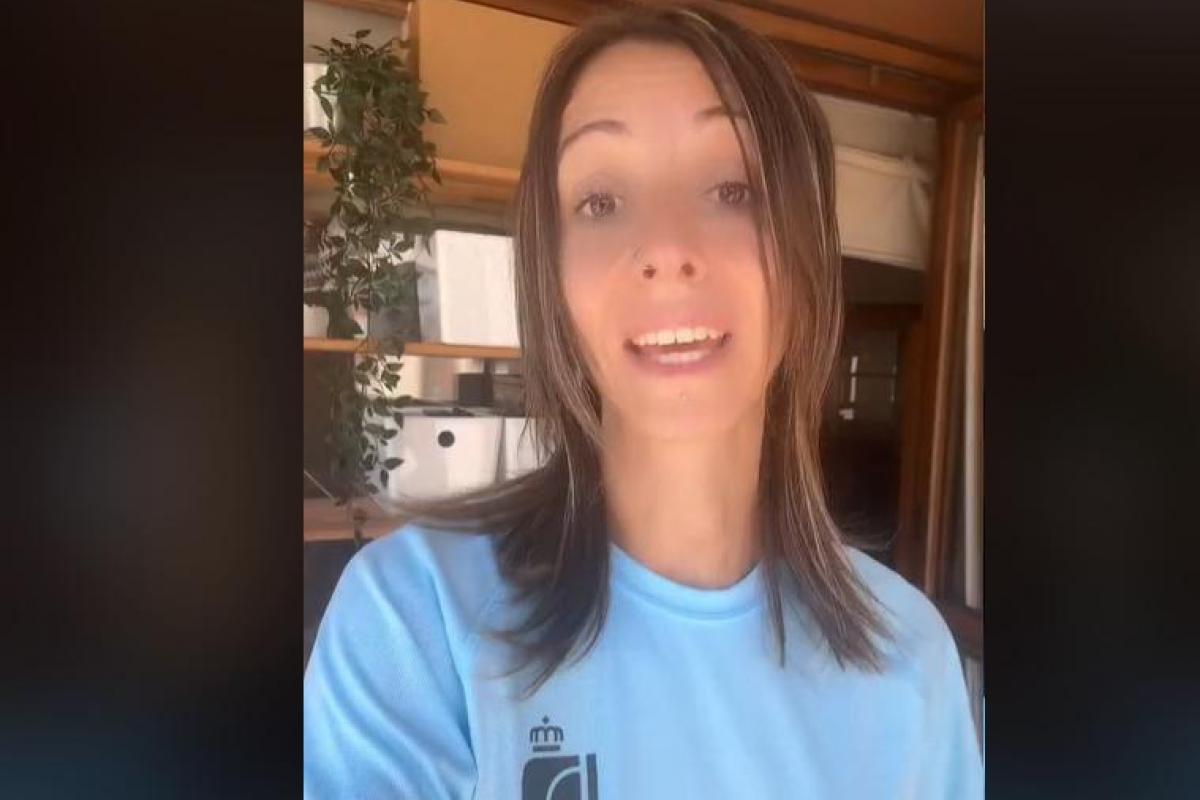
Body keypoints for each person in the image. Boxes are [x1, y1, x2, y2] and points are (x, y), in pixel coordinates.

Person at [304, 4, 984, 798]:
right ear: (552, 277)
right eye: (600, 201)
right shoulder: (418, 621)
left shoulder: (909, 655)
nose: (665, 248)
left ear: (806, 256)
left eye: (733, 188)